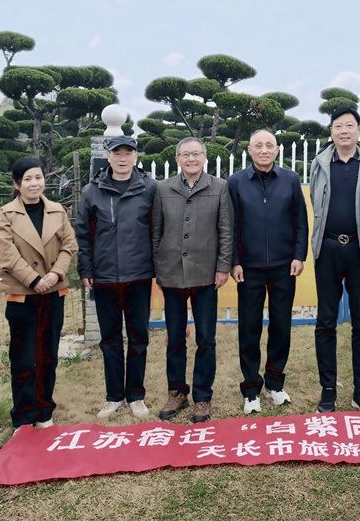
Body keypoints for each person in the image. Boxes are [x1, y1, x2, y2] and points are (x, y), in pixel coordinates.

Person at [309, 107, 360, 413]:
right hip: (327, 249)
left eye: (349, 126)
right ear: (331, 132)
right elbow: (316, 202)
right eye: (338, 126)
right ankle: (328, 389)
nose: (344, 131)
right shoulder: (319, 164)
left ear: (359, 131)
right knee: (325, 321)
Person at [75, 135, 157, 419]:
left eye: (128, 153)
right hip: (105, 277)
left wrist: (156, 268)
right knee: (110, 339)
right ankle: (114, 396)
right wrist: (86, 269)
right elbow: (82, 234)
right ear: (108, 156)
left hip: (139, 276)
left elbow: (155, 230)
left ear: (136, 156)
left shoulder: (149, 188)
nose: (123, 158)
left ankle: (136, 395)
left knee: (138, 337)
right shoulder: (92, 191)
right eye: (117, 153)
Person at [0, 157, 78, 430]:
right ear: (17, 184)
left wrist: (55, 274)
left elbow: (70, 245)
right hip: (23, 295)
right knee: (23, 356)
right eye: (27, 179)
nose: (34, 183)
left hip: (53, 292)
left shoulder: (57, 211)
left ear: (44, 180)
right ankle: (24, 415)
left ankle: (44, 410)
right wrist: (34, 280)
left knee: (48, 354)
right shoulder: (6, 214)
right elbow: (6, 255)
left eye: (38, 178)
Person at [152, 137, 233, 424]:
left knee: (206, 339)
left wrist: (223, 267)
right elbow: (155, 231)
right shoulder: (162, 189)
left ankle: (202, 397)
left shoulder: (220, 187)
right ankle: (177, 391)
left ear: (205, 156)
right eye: (185, 154)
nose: (191, 159)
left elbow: (226, 230)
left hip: (205, 273)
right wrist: (156, 268)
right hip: (171, 273)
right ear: (177, 159)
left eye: (196, 154)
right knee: (175, 338)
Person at [228, 129, 308, 414]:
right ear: (249, 150)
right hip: (248, 268)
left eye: (269, 146)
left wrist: (299, 255)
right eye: (258, 145)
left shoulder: (290, 180)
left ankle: (275, 382)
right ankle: (251, 388)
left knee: (280, 326)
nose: (264, 150)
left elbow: (300, 221)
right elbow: (231, 225)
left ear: (277, 150)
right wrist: (234, 261)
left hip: (283, 266)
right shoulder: (236, 182)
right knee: (249, 328)